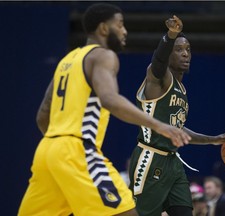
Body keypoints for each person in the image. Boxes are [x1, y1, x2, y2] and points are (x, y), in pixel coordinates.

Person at [18, 4, 192, 216]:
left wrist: (58, 149)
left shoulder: (67, 60)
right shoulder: (103, 56)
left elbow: (42, 115)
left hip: (47, 151)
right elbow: (109, 99)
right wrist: (158, 125)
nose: (124, 31)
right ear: (103, 28)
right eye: (119, 25)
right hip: (77, 149)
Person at [128, 15, 225, 216]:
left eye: (188, 49)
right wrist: (170, 36)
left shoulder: (181, 89)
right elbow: (158, 61)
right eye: (178, 49)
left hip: (173, 162)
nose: (185, 54)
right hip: (151, 157)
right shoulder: (158, 78)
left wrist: (213, 140)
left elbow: (178, 130)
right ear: (169, 53)